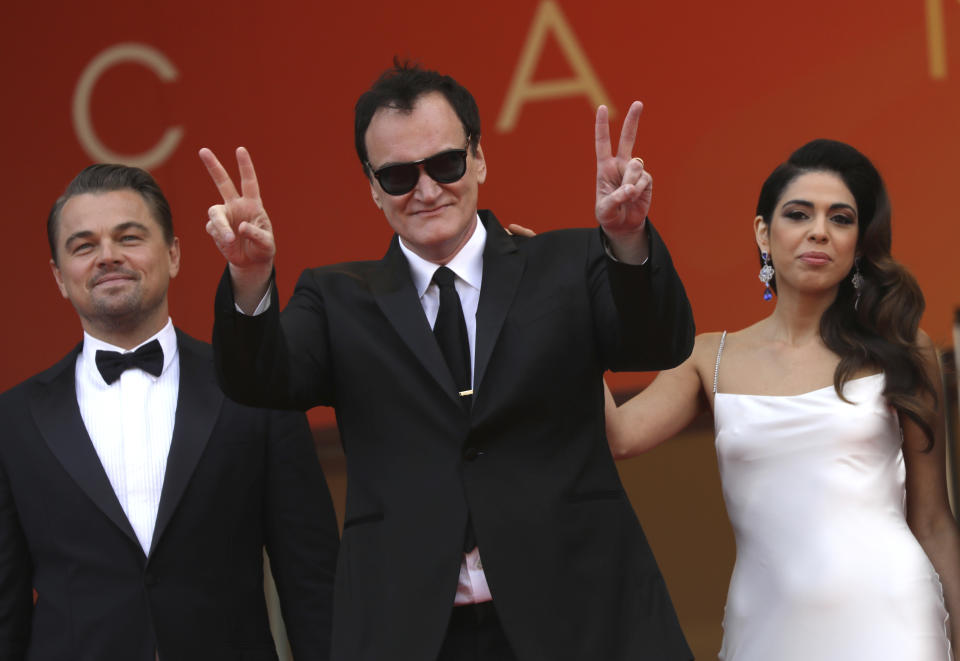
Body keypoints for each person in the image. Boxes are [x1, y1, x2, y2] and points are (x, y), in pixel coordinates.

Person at [200, 62, 695, 661]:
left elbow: (657, 344)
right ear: (372, 187)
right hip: (410, 628)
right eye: (399, 175)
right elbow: (259, 381)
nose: (428, 190)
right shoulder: (335, 300)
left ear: (479, 159)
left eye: (446, 164)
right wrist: (250, 278)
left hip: (580, 613)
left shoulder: (568, 262)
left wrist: (626, 242)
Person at [605, 139, 960, 660]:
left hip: (896, 620)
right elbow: (619, 435)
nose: (819, 230)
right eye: (799, 214)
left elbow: (933, 521)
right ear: (763, 233)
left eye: (841, 218)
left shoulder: (904, 351)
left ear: (858, 244)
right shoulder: (710, 358)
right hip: (766, 628)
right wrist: (559, 309)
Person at [0, 164, 340, 661]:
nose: (108, 257)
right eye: (83, 245)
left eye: (129, 237)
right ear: (58, 276)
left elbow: (313, 581)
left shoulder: (252, 393)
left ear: (174, 254)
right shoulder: (14, 420)